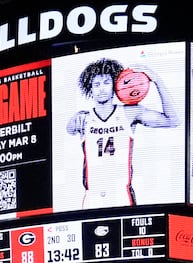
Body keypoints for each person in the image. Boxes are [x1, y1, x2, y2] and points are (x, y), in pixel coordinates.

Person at [62, 55, 179, 209]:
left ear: (115, 85)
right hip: (92, 196)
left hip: (121, 195)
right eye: (96, 84)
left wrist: (157, 80)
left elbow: (173, 120)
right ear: (90, 88)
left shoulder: (130, 113)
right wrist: (74, 120)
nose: (101, 88)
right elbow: (69, 129)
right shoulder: (83, 117)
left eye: (106, 82)